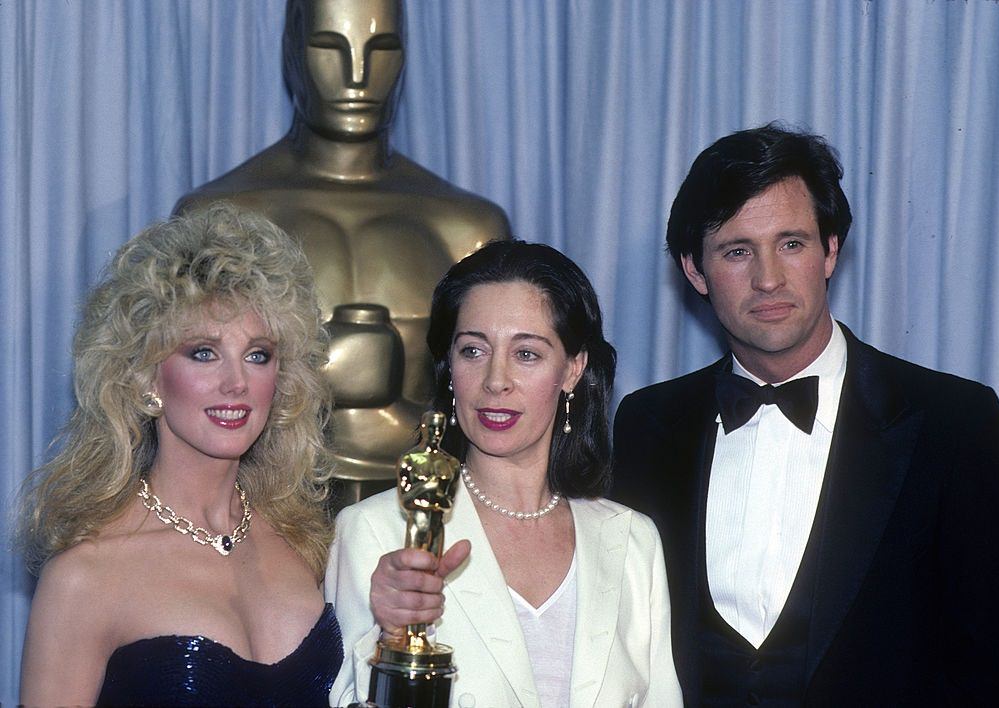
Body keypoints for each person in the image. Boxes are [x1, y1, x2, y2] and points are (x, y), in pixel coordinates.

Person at [612, 123, 999, 706]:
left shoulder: (953, 422)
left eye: (792, 243)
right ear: (694, 271)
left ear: (830, 251)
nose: (768, 279)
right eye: (737, 251)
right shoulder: (647, 424)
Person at [175, 0, 510, 505]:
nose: (358, 77)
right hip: (265, 515)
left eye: (382, 49)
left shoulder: (468, 226)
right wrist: (326, 368)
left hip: (429, 521)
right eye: (330, 48)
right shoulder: (220, 218)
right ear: (292, 53)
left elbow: (504, 394)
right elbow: (180, 380)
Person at [325, 240, 683, 707]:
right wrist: (391, 640)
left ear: (572, 369)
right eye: (473, 350)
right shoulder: (376, 531)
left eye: (527, 354)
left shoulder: (633, 541)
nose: (496, 380)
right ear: (449, 369)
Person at [17, 205, 344, 705]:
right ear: (146, 378)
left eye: (258, 355)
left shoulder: (306, 543)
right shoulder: (85, 577)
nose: (236, 383)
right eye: (203, 352)